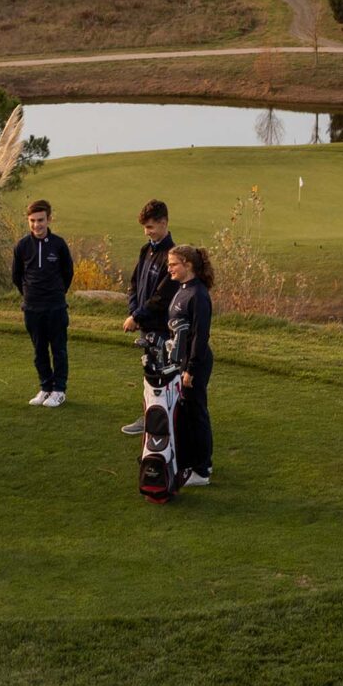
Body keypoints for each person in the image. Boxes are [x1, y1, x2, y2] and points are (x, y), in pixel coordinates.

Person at [119, 200, 174, 435]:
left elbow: (161, 297)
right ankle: (150, 416)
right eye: (145, 227)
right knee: (150, 373)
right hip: (144, 324)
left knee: (161, 375)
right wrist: (134, 312)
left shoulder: (171, 255)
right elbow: (134, 284)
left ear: (163, 223)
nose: (147, 232)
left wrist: (137, 317)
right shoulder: (146, 249)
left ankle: (160, 419)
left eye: (151, 227)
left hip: (161, 328)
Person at [12, 198, 74, 407]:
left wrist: (56, 293)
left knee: (58, 349)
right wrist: (29, 293)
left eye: (40, 220)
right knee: (39, 350)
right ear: (28, 221)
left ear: (49, 219)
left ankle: (59, 390)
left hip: (55, 306)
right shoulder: (22, 246)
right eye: (32, 221)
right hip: (32, 307)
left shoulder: (59, 244)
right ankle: (45, 387)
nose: (36, 225)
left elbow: (68, 273)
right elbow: (16, 276)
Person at [165, 245, 215, 487]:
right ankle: (192, 461)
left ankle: (202, 471)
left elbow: (200, 336)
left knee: (196, 413)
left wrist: (190, 369)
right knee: (185, 413)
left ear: (188, 264)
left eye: (173, 264)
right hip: (181, 361)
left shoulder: (199, 295)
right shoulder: (182, 289)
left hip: (195, 363)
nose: (169, 269)